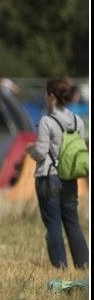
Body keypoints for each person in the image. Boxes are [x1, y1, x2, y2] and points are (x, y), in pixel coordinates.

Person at [26, 78, 88, 269]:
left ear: (51, 96)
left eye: (46, 93)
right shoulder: (78, 121)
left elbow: (41, 152)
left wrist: (31, 149)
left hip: (49, 176)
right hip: (70, 177)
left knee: (53, 225)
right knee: (72, 223)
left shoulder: (47, 121)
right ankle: (83, 263)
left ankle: (60, 266)